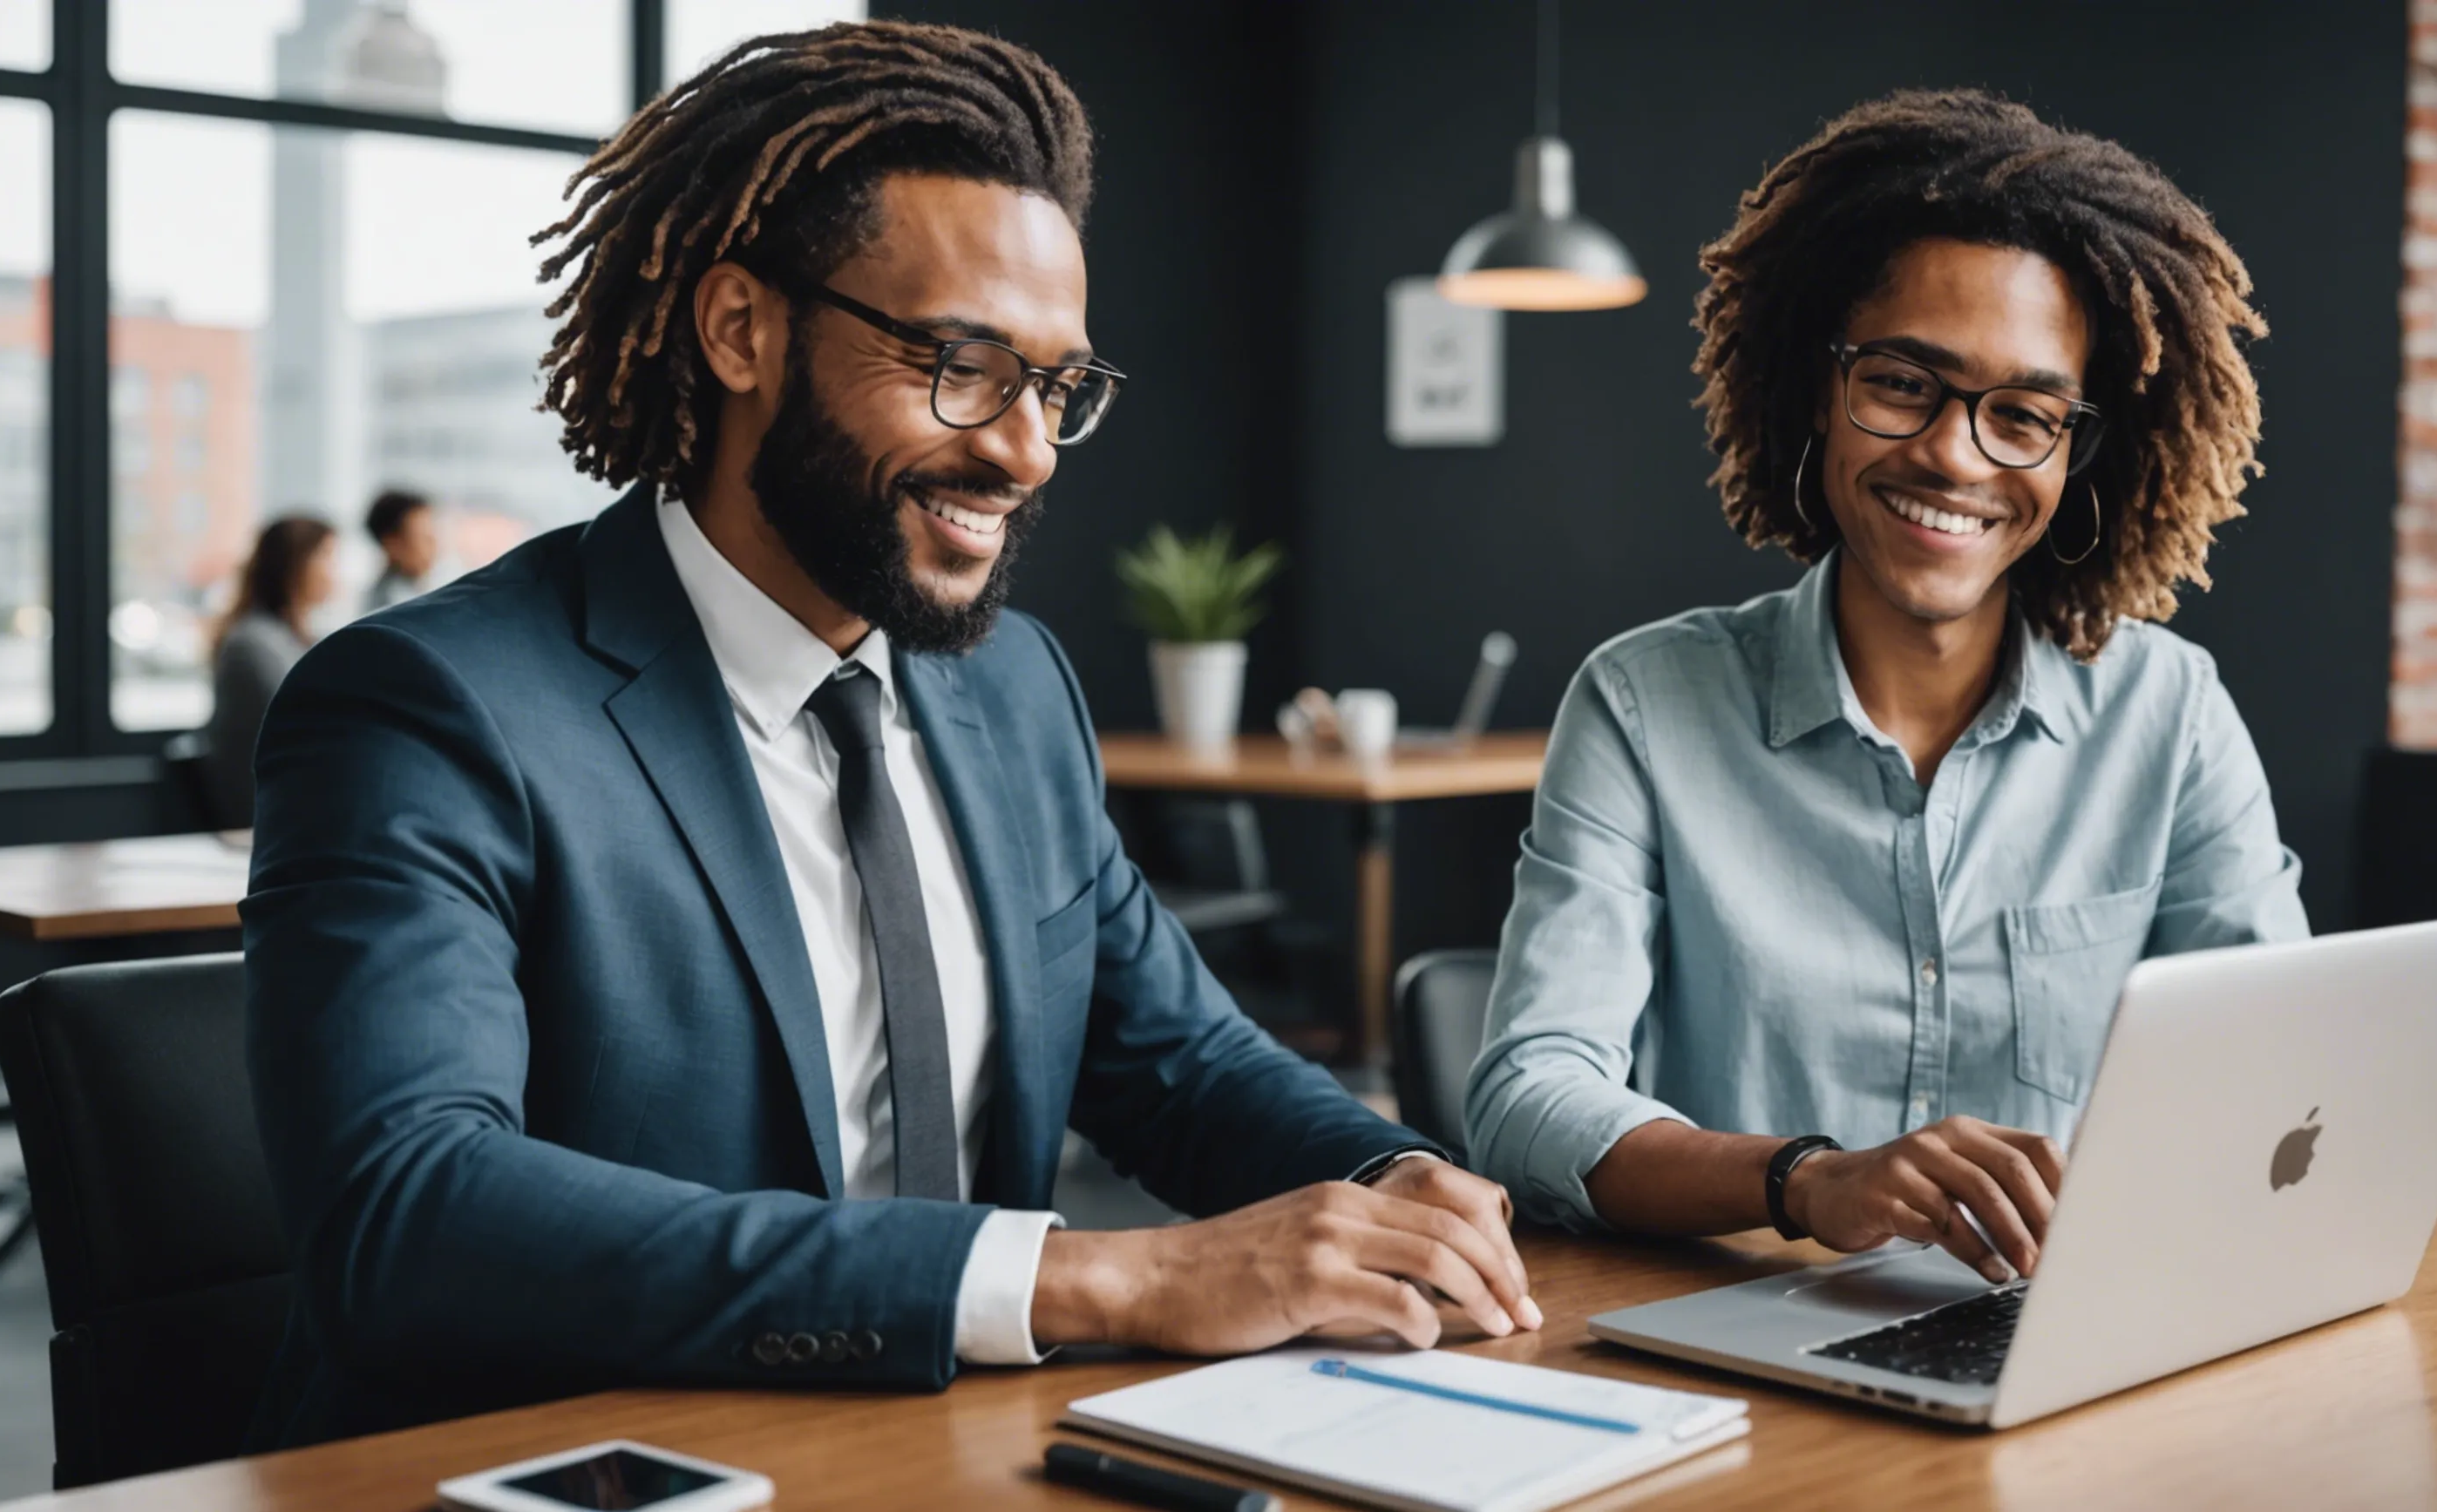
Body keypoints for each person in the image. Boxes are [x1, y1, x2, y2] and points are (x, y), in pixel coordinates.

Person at [241, 20, 1535, 1449]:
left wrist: (1390, 1177)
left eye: (1057, 387)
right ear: (742, 329)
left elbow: (1175, 1061)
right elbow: (406, 1215)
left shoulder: (1012, 691)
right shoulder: (430, 704)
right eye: (962, 364)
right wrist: (1107, 1276)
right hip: (574, 1464)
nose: (1026, 449)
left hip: (947, 1453)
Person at [1464, 92, 2308, 1284]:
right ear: (1819, 387)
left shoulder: (2169, 716)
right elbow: (1526, 1094)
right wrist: (1811, 1179)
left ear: (2077, 455)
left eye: (2023, 414)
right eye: (1906, 382)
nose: (1956, 455)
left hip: (2059, 1327)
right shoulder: (1647, 704)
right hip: (1741, 1336)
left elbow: (2285, 1068)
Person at [204, 514, 336, 830]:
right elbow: (310, 727)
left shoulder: (292, 637)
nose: (335, 573)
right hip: (271, 814)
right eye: (326, 557)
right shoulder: (252, 644)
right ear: (294, 565)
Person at [361, 487, 438, 611]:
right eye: (424, 538)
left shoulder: (418, 588)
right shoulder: (390, 606)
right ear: (393, 544)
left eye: (433, 535)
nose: (435, 546)